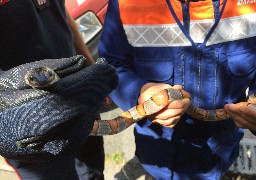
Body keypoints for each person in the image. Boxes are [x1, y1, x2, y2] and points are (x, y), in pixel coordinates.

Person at [99, 0, 256, 179]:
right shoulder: (126, 3)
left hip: (222, 149)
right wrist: (138, 92)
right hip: (158, 152)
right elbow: (110, 65)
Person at [0, 0, 104, 179]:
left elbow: (61, 13)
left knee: (92, 170)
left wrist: (88, 63)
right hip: (31, 125)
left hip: (79, 97)